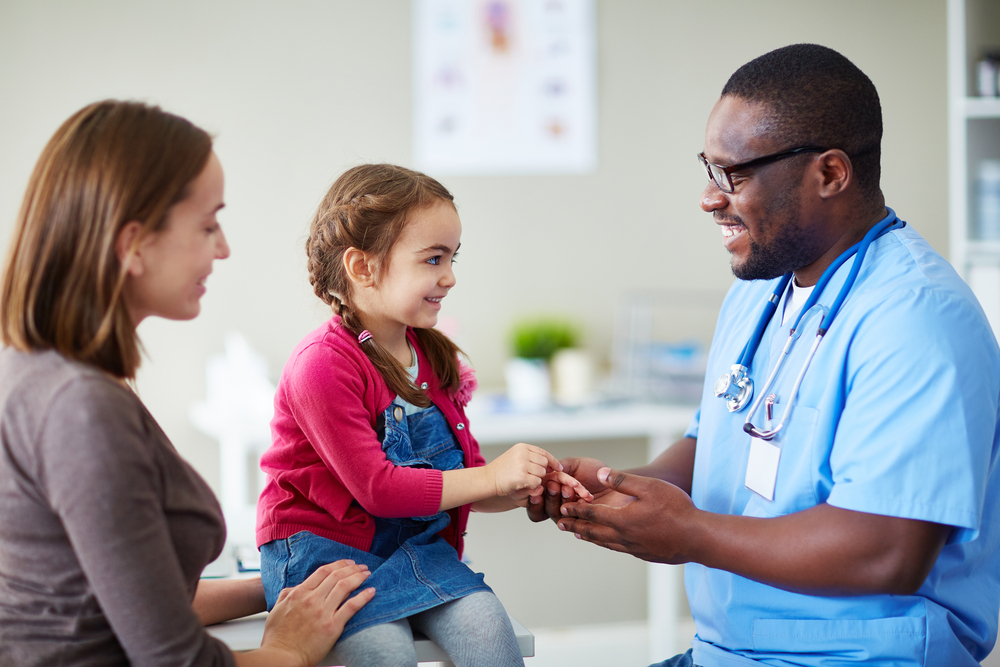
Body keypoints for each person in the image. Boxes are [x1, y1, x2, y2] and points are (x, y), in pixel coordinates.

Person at [530, 44, 1000, 667]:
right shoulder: (759, 293)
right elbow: (714, 447)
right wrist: (619, 489)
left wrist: (688, 532)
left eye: (735, 174)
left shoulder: (916, 318)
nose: (708, 197)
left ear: (830, 174)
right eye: (708, 167)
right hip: (729, 652)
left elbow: (887, 551)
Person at [0, 100, 375, 667]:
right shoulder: (81, 410)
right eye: (207, 225)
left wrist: (276, 585)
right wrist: (290, 649)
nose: (222, 247)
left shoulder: (44, 372)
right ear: (133, 244)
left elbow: (121, 601)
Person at [255, 163, 590, 667]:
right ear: (362, 268)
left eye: (453, 258)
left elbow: (465, 480)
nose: (450, 276)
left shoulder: (433, 357)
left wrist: (519, 488)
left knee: (489, 630)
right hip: (326, 558)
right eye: (433, 259)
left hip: (413, 546)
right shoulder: (322, 365)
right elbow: (379, 488)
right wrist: (492, 477)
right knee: (383, 651)